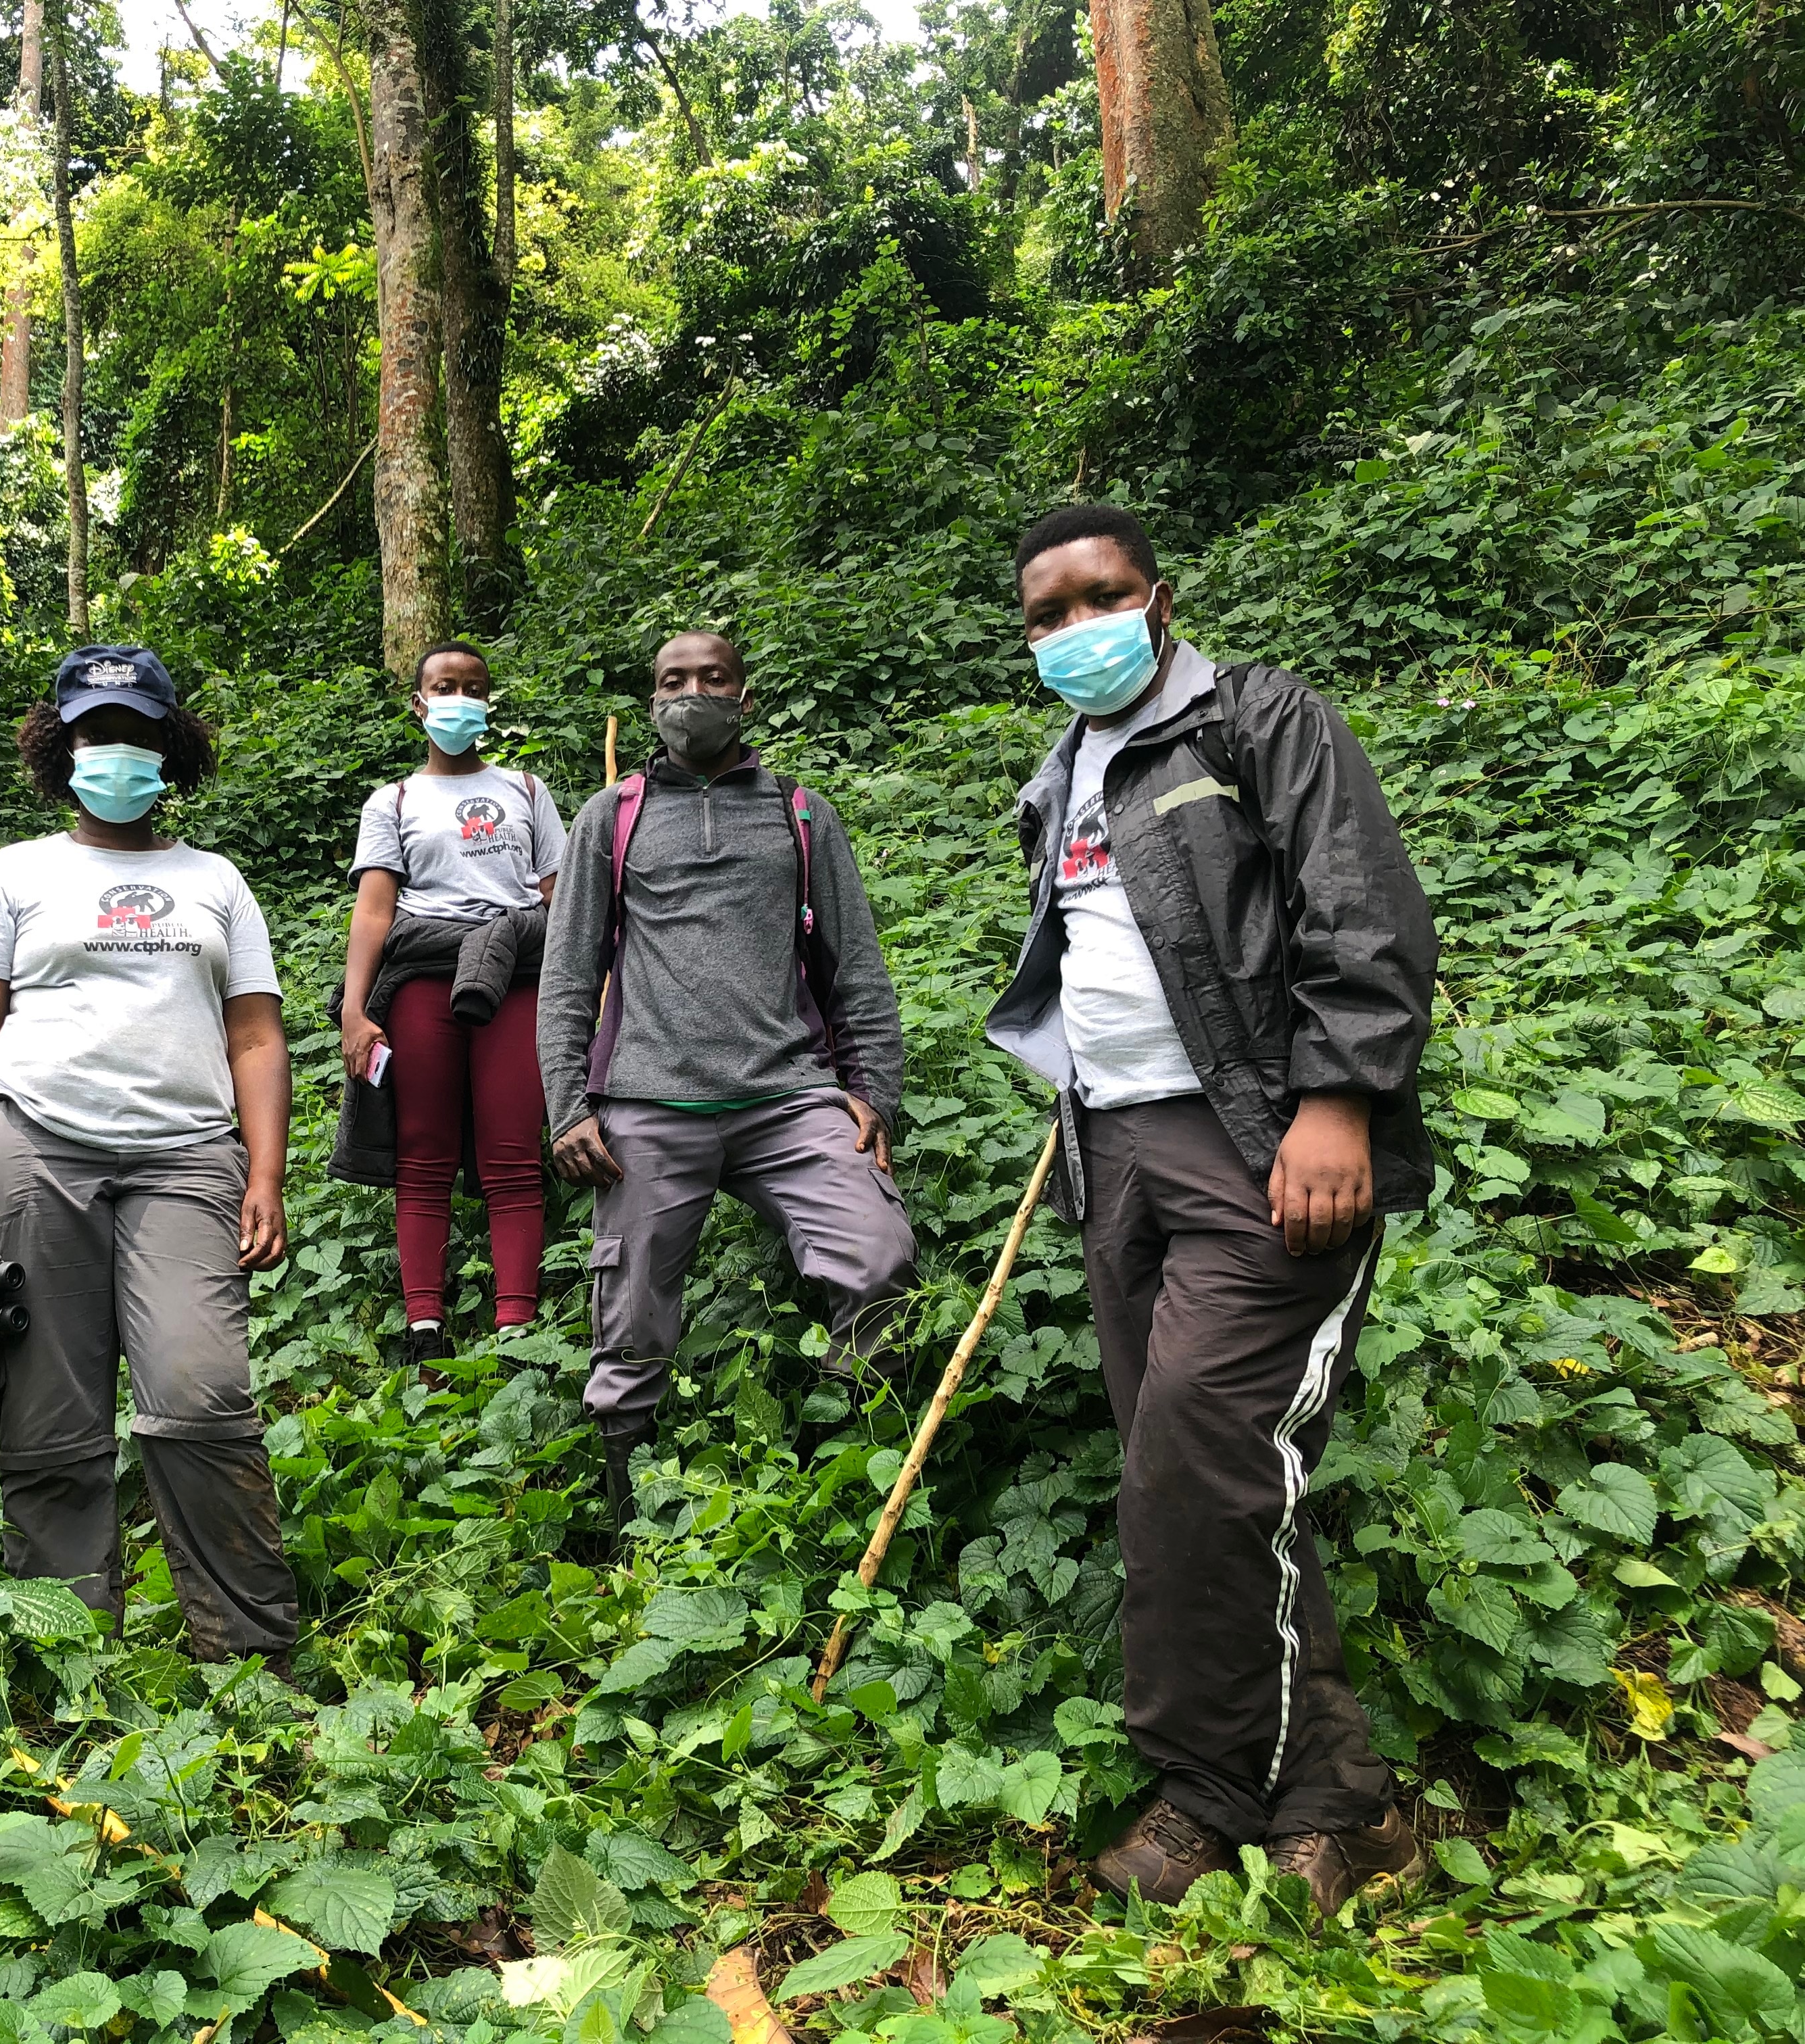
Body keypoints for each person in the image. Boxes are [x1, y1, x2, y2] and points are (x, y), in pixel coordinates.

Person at [984, 504, 1438, 1914]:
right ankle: (1314, 1805)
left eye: (1099, 598)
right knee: (1209, 1480)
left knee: (1198, 1457)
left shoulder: (1259, 722)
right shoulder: (1061, 771)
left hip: (1261, 1145)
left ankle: (1215, 1791)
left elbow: (1360, 913)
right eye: (1047, 616)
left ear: (1159, 598)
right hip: (1115, 1155)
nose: (1076, 631)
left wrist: (1338, 1101)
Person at [0, 644, 300, 1668]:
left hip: (184, 1159)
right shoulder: (12, 875)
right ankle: (71, 1659)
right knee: (48, 1419)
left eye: (135, 734)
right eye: (96, 733)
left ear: (169, 747)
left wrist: (264, 1172)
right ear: (62, 747)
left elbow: (257, 1036)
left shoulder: (214, 881)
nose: (114, 751)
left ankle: (250, 1655)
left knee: (202, 1394)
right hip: (34, 1149)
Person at [537, 630, 913, 1529]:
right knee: (628, 1318)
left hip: (790, 1097)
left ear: (745, 696)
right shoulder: (609, 818)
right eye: (674, 681)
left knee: (880, 1258)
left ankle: (846, 1476)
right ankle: (632, 1513)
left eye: (711, 679)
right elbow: (568, 973)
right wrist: (566, 1106)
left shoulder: (801, 813)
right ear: (651, 700)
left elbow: (853, 961)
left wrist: (876, 1092)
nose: (692, 693)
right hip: (647, 1106)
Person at [335, 641, 568, 1365]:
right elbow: (375, 910)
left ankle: (515, 1326)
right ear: (419, 702)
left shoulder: (526, 791)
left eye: (472, 686)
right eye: (444, 685)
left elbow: (560, 897)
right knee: (423, 1153)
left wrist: (587, 987)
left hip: (518, 980)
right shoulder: (394, 801)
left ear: (488, 702)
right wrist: (353, 1006)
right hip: (426, 979)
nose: (458, 697)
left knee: (512, 1153)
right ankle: (425, 1322)